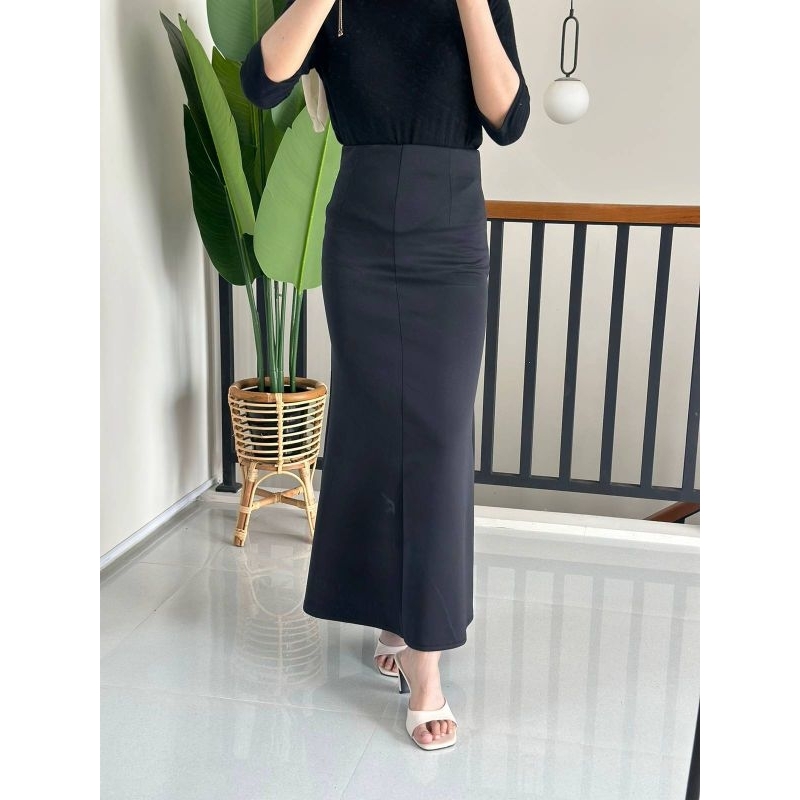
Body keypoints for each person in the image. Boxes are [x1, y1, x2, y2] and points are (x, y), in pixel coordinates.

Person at [240, 0, 530, 751]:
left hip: (449, 233)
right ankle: (398, 619)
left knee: (437, 438)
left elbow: (508, 116)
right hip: (361, 234)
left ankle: (425, 658)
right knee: (374, 431)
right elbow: (263, 83)